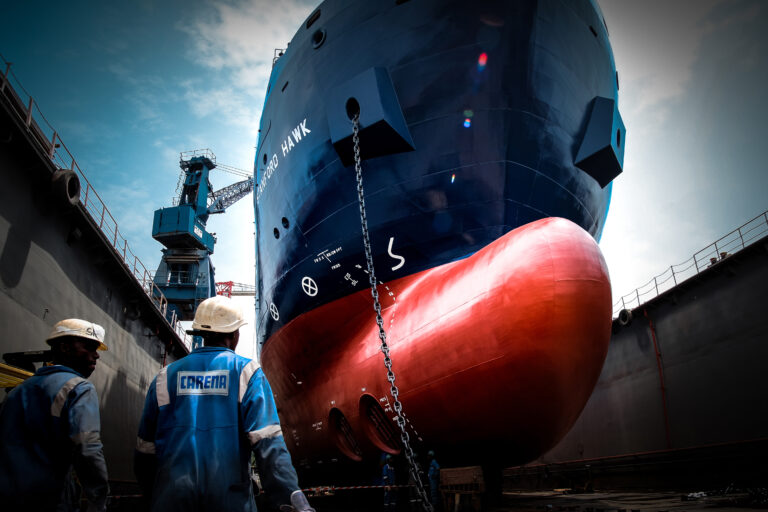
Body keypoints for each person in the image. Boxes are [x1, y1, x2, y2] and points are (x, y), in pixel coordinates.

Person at [134, 295, 314, 512]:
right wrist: (289, 497)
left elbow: (145, 452)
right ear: (235, 334)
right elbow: (268, 445)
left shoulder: (164, 377)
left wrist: (155, 496)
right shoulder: (247, 373)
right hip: (231, 503)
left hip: (171, 502)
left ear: (201, 333)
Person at [0, 318, 110, 511]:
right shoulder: (79, 388)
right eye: (89, 347)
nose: (96, 356)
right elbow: (87, 448)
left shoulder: (17, 391)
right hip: (50, 499)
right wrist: (98, 499)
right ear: (64, 348)